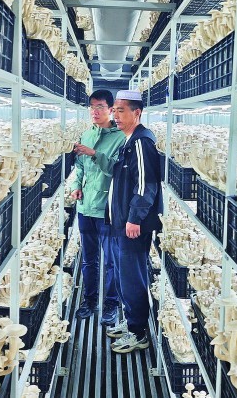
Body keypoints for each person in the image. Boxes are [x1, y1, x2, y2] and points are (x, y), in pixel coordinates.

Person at [104, 90, 163, 354]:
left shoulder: (142, 142)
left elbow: (146, 184)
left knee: (132, 277)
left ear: (137, 113)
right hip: (121, 222)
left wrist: (134, 218)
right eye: (114, 110)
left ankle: (138, 333)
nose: (115, 115)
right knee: (123, 274)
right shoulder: (129, 140)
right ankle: (130, 321)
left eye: (121, 110)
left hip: (132, 225)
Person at [71, 90, 127, 325]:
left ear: (111, 109)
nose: (95, 111)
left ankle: (111, 304)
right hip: (85, 207)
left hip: (107, 209)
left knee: (111, 260)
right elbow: (79, 167)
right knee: (89, 259)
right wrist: (76, 186)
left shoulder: (121, 138)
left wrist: (94, 153)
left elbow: (117, 170)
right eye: (92, 107)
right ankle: (89, 300)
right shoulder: (86, 134)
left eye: (100, 107)